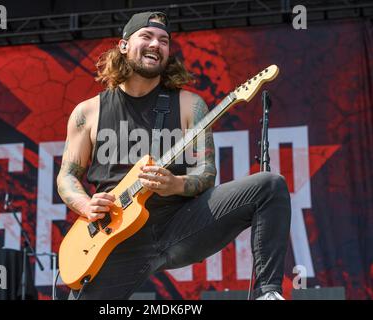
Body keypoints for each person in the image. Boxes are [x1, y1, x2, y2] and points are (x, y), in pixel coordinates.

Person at [57, 11, 291, 300]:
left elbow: (206, 173)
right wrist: (85, 204)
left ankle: (268, 293)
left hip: (179, 224)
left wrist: (175, 184)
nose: (156, 44)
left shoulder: (189, 105)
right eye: (147, 36)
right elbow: (67, 175)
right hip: (114, 236)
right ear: (124, 45)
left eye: (164, 40)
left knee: (269, 186)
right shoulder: (88, 112)